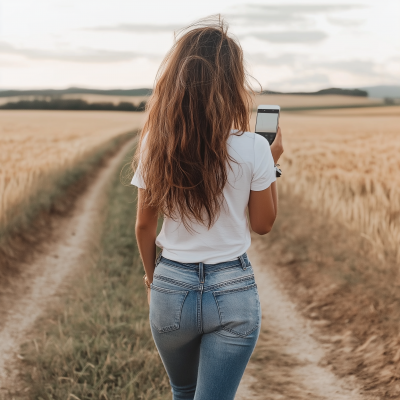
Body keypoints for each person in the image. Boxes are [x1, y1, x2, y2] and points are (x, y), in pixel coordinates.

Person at [131, 17, 284, 400]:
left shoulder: (156, 143)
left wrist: (153, 282)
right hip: (233, 291)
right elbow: (263, 224)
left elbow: (144, 227)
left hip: (171, 289)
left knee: (182, 390)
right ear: (232, 83)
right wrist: (272, 161)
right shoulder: (254, 147)